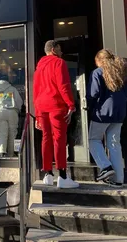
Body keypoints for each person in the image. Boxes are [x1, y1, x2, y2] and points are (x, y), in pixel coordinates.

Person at [33, 40, 79, 188]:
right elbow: (63, 85)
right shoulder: (59, 63)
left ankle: (48, 174)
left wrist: (37, 113)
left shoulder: (39, 67)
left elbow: (36, 90)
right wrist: (71, 104)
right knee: (59, 138)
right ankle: (63, 176)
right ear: (53, 49)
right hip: (56, 105)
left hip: (42, 106)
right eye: (59, 49)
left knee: (46, 138)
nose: (61, 52)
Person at [86, 49, 127, 188]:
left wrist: (90, 107)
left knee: (94, 140)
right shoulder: (120, 72)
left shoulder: (97, 72)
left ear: (99, 60)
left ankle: (106, 167)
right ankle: (118, 179)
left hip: (102, 112)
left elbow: (94, 93)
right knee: (114, 144)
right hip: (119, 113)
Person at [0, 79, 23, 157]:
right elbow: (19, 101)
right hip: (12, 112)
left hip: (1, 111)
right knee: (12, 133)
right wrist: (18, 109)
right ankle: (11, 153)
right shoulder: (12, 89)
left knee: (2, 133)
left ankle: (2, 152)